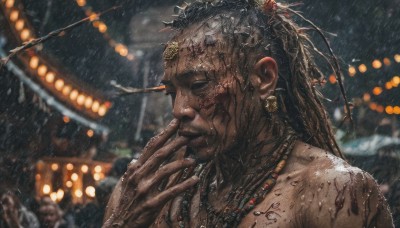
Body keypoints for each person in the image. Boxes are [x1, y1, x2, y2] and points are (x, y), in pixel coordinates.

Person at [103, 0, 394, 227]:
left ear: (264, 78)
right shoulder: (147, 196)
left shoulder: (333, 193)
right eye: (171, 92)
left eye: (199, 85)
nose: (179, 110)